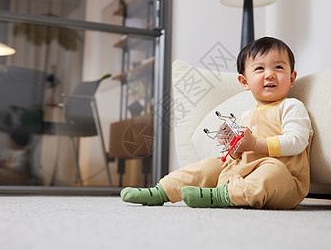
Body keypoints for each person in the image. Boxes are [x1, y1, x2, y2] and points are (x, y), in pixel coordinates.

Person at [121, 37, 313, 209]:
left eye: (278, 67)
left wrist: (254, 144)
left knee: (272, 171)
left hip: (283, 183)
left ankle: (222, 196)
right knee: (208, 165)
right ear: (245, 82)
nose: (270, 74)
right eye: (260, 69)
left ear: (291, 78)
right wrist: (233, 146)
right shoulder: (247, 114)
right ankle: (162, 191)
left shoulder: (291, 106)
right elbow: (241, 154)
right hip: (242, 173)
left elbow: (297, 141)